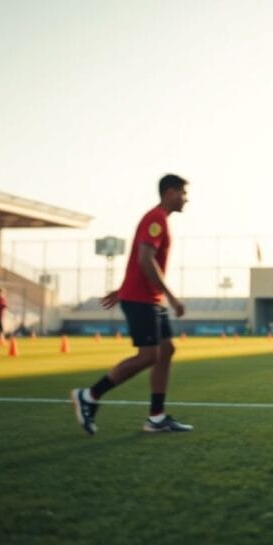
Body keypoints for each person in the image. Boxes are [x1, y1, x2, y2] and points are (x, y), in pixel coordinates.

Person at [71, 173, 193, 435]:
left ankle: (156, 418)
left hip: (147, 297)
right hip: (143, 300)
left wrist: (122, 288)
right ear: (170, 192)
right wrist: (171, 296)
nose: (187, 199)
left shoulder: (158, 219)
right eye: (183, 193)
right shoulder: (156, 219)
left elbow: (142, 261)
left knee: (166, 350)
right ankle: (90, 395)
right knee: (149, 356)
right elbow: (145, 260)